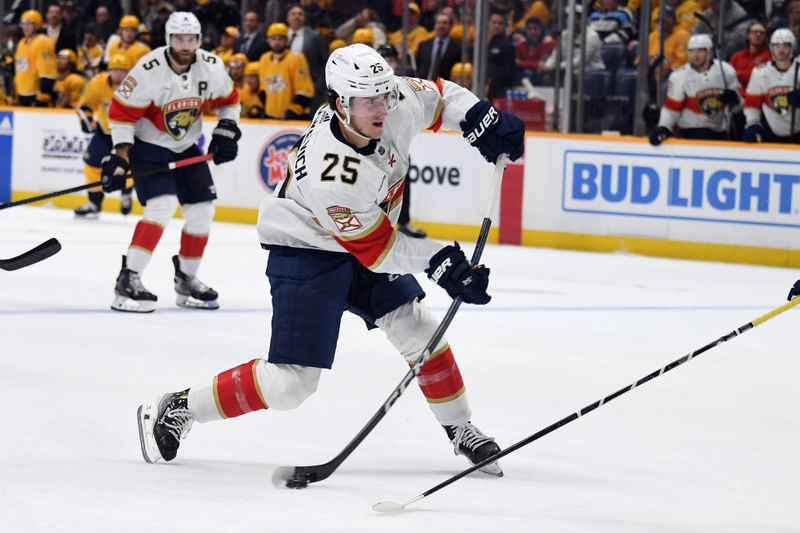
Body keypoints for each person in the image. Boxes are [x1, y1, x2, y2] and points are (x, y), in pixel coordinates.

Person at [136, 44, 525, 474]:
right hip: (307, 250)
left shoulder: (391, 99)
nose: (382, 106)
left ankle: (460, 428)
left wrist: (479, 118)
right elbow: (380, 251)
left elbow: (439, 96)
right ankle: (180, 406)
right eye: (368, 100)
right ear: (341, 104)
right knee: (290, 385)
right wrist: (442, 261)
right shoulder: (331, 173)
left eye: (384, 94)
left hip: (364, 236)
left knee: (420, 329)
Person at [103, 11, 241, 313]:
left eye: (191, 38)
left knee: (203, 211)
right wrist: (119, 156)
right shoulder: (148, 69)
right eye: (179, 38)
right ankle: (129, 278)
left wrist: (226, 130)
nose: (185, 44)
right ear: (168, 39)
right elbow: (121, 113)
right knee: (162, 206)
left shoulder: (212, 67)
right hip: (149, 146)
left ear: (199, 40)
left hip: (187, 145)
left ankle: (187, 279)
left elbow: (229, 101)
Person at [650, 34, 741, 145]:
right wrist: (664, 127)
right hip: (692, 130)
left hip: (721, 130)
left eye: (700, 51)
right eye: (692, 51)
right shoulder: (679, 76)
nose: (695, 56)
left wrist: (735, 99)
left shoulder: (726, 71)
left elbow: (739, 107)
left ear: (709, 53)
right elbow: (672, 109)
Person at [74, 54, 133, 219]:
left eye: (122, 71)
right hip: (105, 130)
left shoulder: (137, 86)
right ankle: (94, 202)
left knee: (127, 165)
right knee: (91, 163)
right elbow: (85, 104)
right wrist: (85, 118)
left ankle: (126, 193)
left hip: (129, 132)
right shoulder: (98, 82)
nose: (118, 74)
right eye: (114, 70)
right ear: (109, 70)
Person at [743, 29, 800, 143]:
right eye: (776, 45)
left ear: (792, 47)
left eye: (785, 45)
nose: (781, 49)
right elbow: (752, 104)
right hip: (772, 132)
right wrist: (753, 122)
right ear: (771, 48)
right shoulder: (760, 72)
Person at [257, 22, 315, 120]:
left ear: (286, 40)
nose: (277, 42)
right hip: (269, 116)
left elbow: (305, 90)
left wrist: (295, 110)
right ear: (268, 40)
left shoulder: (297, 59)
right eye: (273, 38)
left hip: (293, 117)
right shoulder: (264, 59)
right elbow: (263, 87)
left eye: (280, 38)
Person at [14, 10, 56, 107]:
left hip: (36, 94)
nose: (25, 27)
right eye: (23, 24)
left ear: (37, 25)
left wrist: (44, 92)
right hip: (22, 93)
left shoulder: (43, 41)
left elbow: (47, 70)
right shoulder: (21, 43)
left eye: (29, 23)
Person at [416, 12, 461, 81]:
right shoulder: (423, 45)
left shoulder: (457, 48)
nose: (441, 26)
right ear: (435, 25)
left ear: (451, 26)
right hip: (423, 86)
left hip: (444, 88)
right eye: (438, 23)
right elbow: (418, 67)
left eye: (445, 23)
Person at [729, 22, 771, 88]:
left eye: (762, 33)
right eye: (755, 32)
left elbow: (755, 77)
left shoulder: (768, 57)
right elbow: (728, 75)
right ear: (747, 35)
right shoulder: (737, 56)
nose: (758, 34)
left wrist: (736, 74)